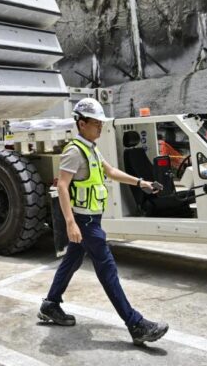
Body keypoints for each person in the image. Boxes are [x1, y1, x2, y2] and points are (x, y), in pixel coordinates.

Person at [38, 98, 169, 345]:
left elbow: (110, 172)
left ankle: (50, 304)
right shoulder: (74, 151)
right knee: (108, 270)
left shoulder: (91, 149)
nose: (100, 127)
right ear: (82, 123)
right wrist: (70, 223)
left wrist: (141, 183)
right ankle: (135, 324)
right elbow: (62, 186)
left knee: (71, 261)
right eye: (96, 123)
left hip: (91, 220)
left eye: (101, 123)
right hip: (85, 222)